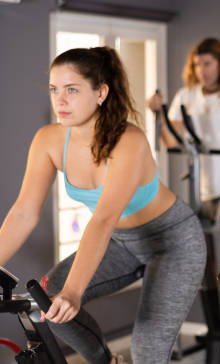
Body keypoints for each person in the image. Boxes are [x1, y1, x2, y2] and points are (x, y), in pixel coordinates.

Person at [0, 47, 206, 364]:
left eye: (72, 89)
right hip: (121, 244)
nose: (60, 100)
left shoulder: (129, 141)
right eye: (55, 89)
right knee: (50, 296)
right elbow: (24, 212)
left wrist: (74, 291)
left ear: (101, 92)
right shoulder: (49, 140)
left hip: (173, 242)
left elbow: (104, 219)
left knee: (147, 351)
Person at [148, 37, 220, 281]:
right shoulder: (186, 97)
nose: (202, 70)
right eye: (198, 65)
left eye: (208, 64)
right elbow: (170, 140)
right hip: (204, 187)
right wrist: (159, 114)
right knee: (207, 252)